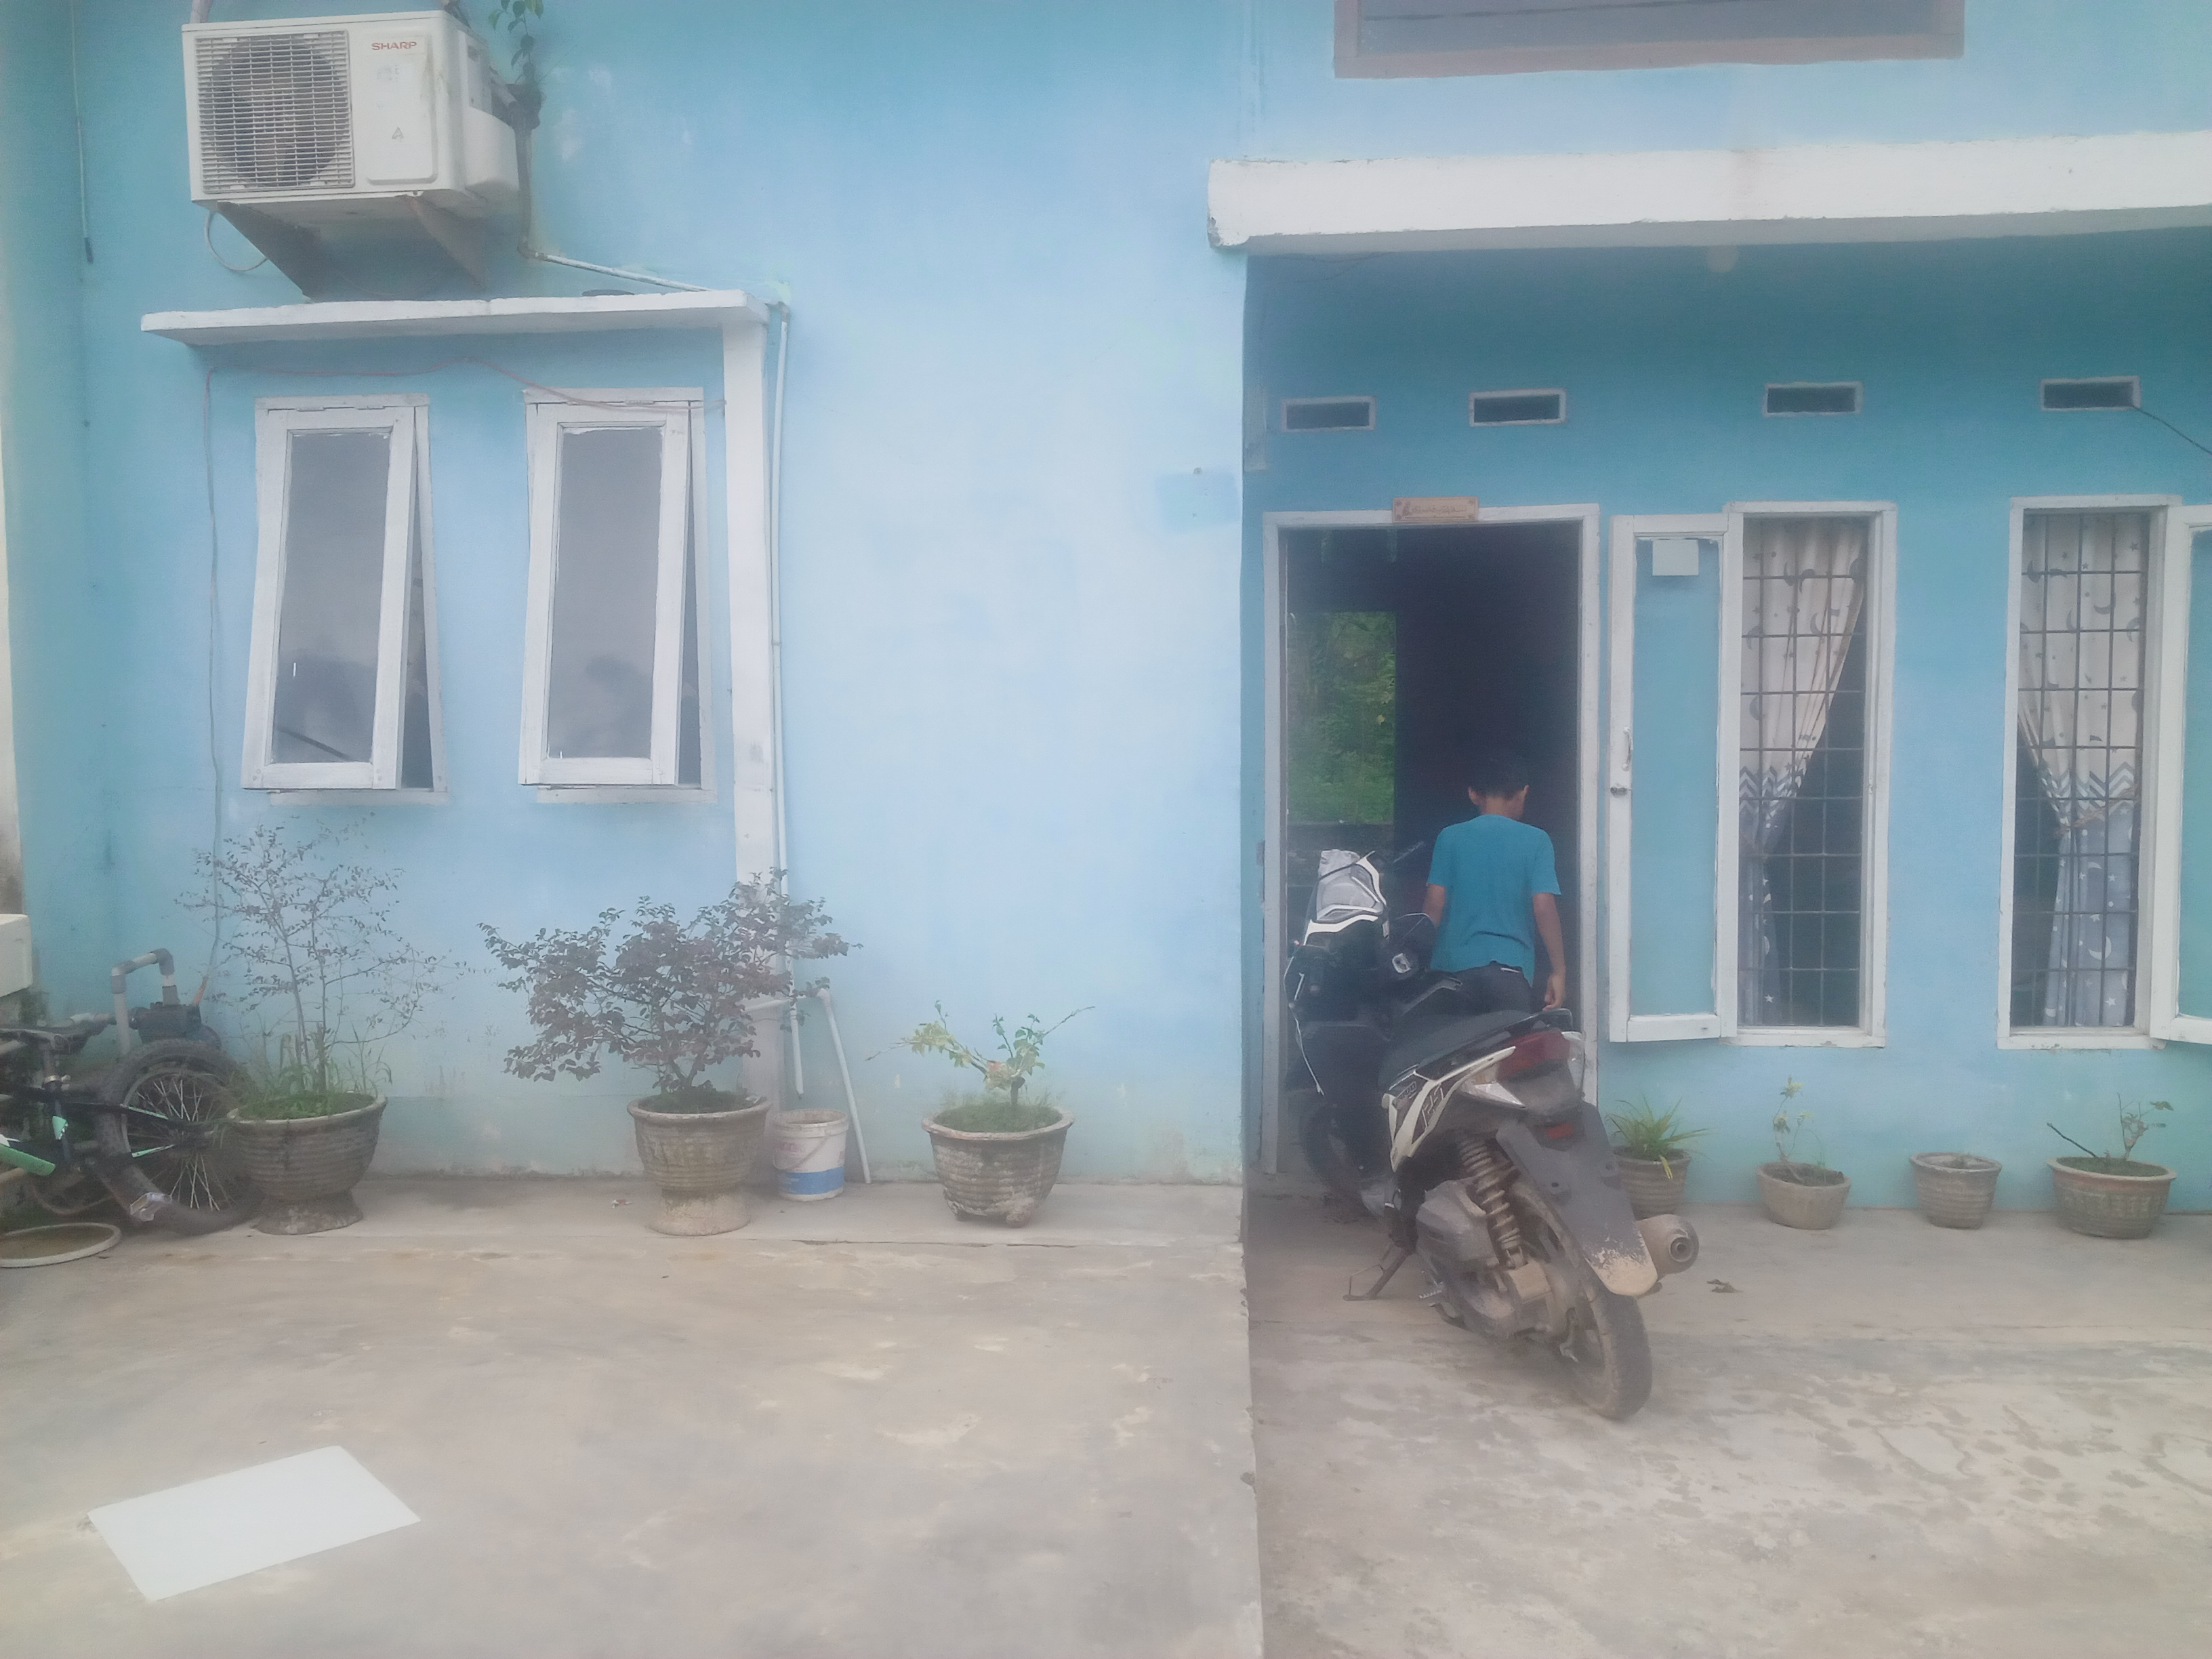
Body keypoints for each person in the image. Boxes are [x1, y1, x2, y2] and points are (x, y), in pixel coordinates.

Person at [1422, 747, 1565, 1013]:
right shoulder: (1537, 841)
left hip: (1454, 975)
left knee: (1457, 1042)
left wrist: (1419, 959)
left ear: (1473, 794)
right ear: (1524, 792)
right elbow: (1543, 906)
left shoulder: (1450, 838)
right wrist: (1559, 970)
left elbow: (1435, 904)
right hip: (1511, 974)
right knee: (1510, 1041)